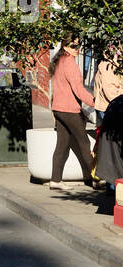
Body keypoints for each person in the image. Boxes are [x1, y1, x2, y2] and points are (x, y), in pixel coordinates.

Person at [49, 34, 101, 190]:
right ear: (65, 46)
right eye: (73, 46)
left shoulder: (60, 61)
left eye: (78, 46)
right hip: (69, 110)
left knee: (62, 145)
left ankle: (55, 180)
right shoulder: (70, 63)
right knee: (84, 144)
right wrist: (95, 102)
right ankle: (97, 179)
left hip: (58, 109)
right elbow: (78, 90)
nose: (77, 49)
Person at [95, 93, 123, 189]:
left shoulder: (117, 100)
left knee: (113, 171)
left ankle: (112, 190)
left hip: (109, 142)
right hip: (114, 141)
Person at [93, 50, 123, 126]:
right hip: (107, 108)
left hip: (105, 107)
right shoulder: (109, 67)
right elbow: (110, 91)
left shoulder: (110, 65)